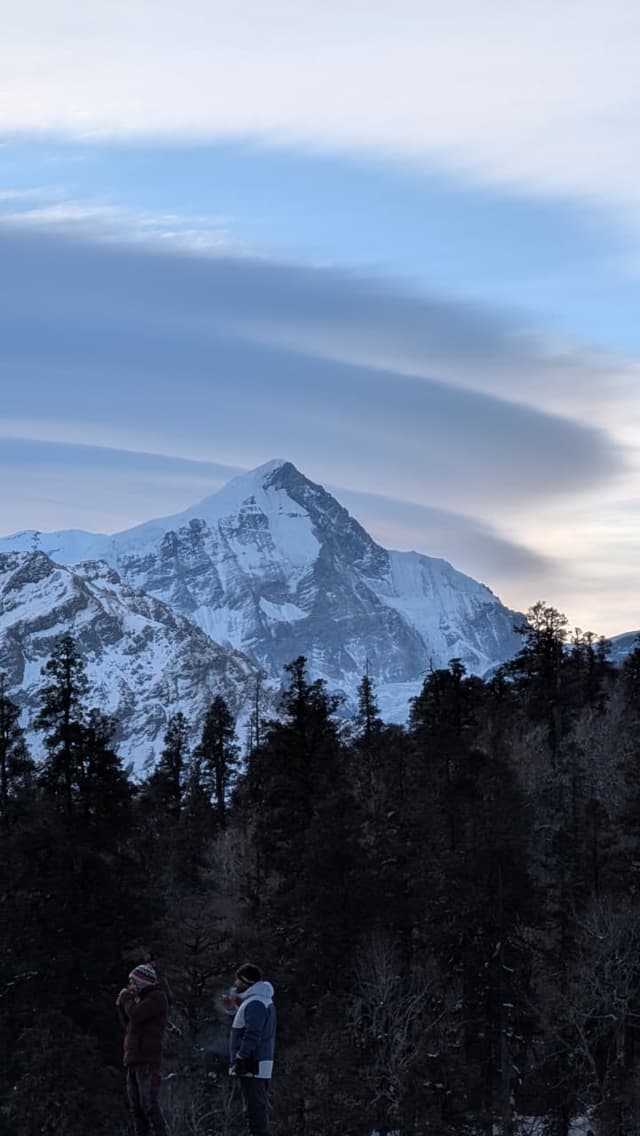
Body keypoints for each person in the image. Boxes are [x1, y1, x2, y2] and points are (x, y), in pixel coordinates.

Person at [116, 962, 169, 1136]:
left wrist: (126, 999)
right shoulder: (139, 1000)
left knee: (149, 1105)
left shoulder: (157, 998)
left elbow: (136, 1015)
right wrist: (121, 1006)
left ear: (141, 982)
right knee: (136, 1107)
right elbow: (129, 1024)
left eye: (132, 982)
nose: (129, 986)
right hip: (133, 1058)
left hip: (147, 1060)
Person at [224, 963, 276, 1136]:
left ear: (246, 981)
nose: (235, 983)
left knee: (255, 1110)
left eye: (238, 980)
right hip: (257, 1063)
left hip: (252, 1064)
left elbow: (253, 1032)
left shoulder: (256, 1003)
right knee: (256, 1108)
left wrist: (241, 1056)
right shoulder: (259, 1001)